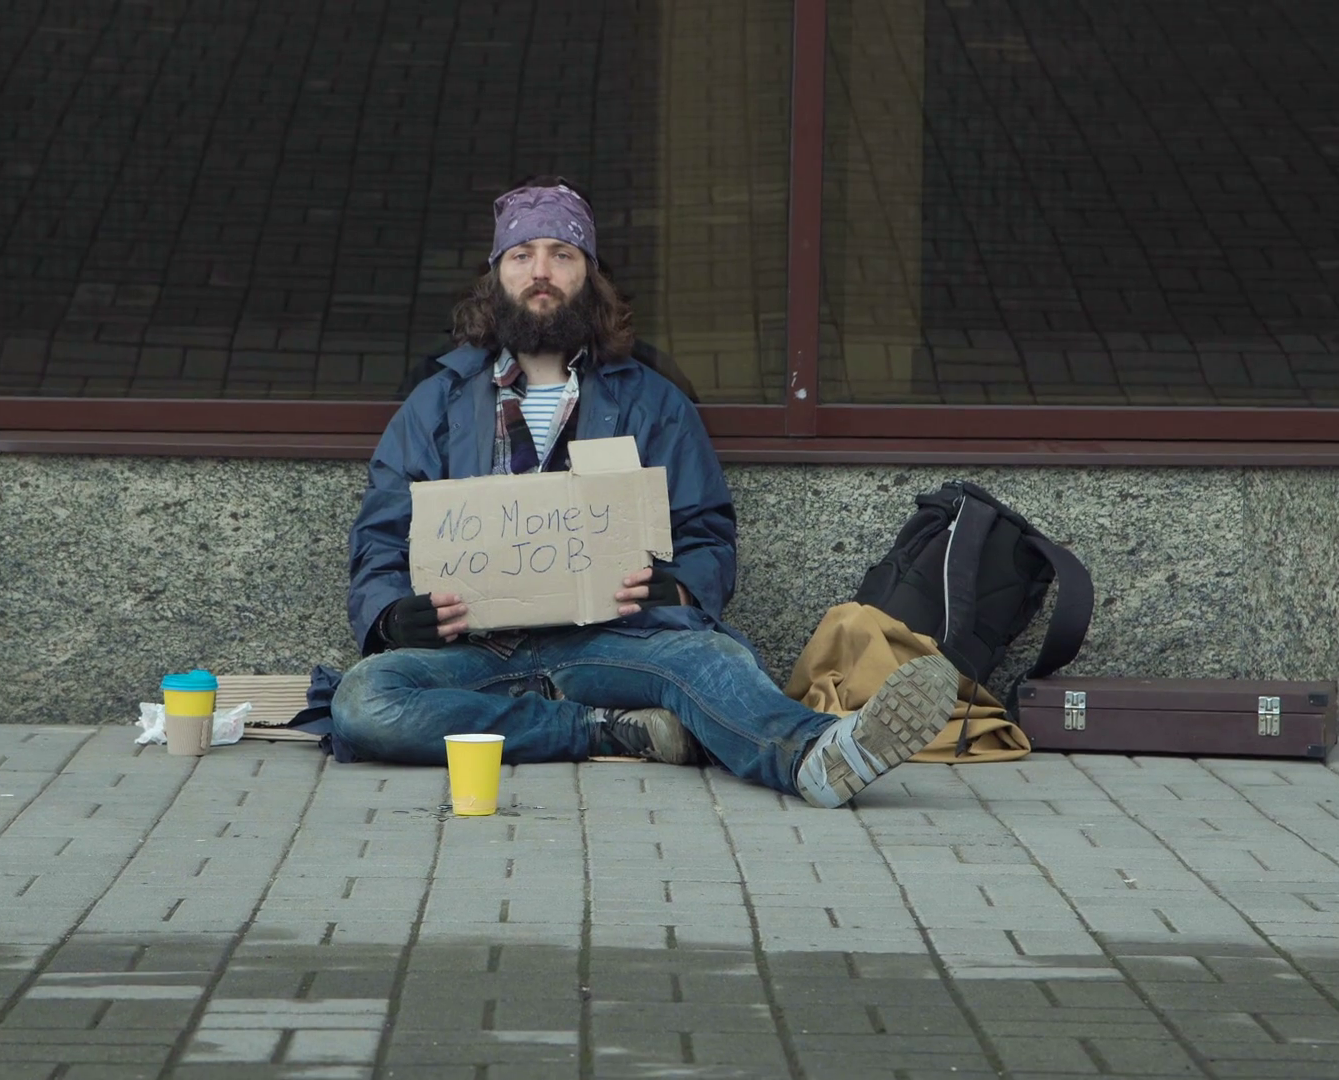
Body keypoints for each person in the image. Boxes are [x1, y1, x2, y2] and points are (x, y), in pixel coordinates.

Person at [331, 177, 961, 808]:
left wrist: (679, 586)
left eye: (562, 254)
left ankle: (817, 756)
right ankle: (609, 730)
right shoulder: (436, 403)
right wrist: (390, 615)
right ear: (496, 277)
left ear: (591, 275)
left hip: (611, 643)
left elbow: (706, 529)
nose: (541, 271)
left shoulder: (652, 400)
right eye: (521, 256)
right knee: (363, 700)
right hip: (472, 651)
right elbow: (383, 533)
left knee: (711, 660)